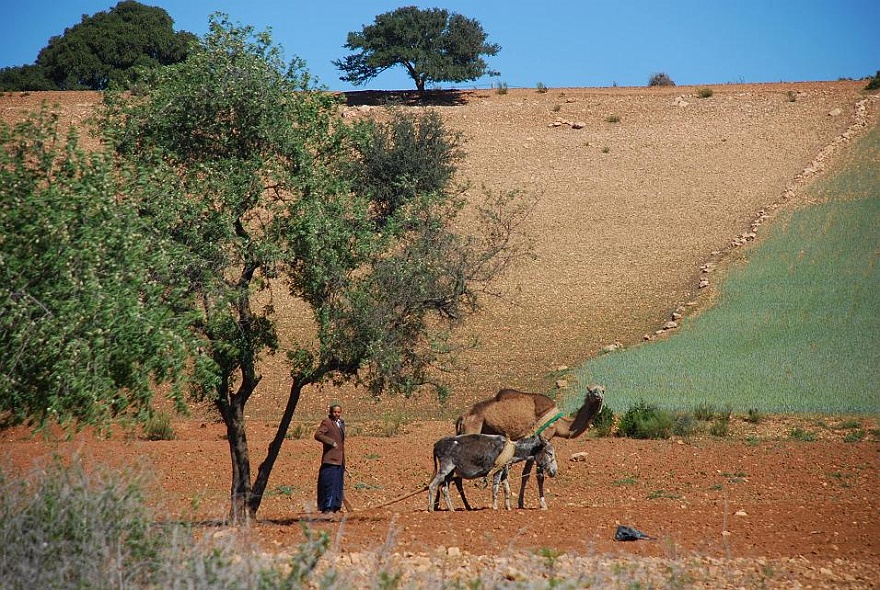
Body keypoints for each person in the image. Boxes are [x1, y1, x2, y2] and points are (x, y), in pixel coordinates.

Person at [314, 403, 345, 513]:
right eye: (334, 412)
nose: (336, 414)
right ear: (331, 412)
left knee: (337, 484)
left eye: (338, 412)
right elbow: (318, 435)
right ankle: (327, 507)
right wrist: (331, 442)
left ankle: (335, 506)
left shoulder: (341, 423)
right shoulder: (327, 422)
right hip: (330, 459)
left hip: (340, 459)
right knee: (328, 483)